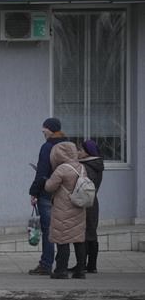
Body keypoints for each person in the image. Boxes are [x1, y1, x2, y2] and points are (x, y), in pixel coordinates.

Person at [28, 117, 68, 275]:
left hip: (47, 192)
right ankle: (62, 264)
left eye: (44, 128)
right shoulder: (68, 145)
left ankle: (46, 264)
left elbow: (42, 172)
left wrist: (34, 192)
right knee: (63, 229)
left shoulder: (47, 147)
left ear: (50, 129)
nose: (42, 131)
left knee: (49, 230)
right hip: (65, 192)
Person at [44, 141, 87, 279]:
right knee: (78, 239)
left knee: (63, 239)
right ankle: (80, 270)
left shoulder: (61, 169)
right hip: (79, 207)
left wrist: (46, 180)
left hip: (63, 208)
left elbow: (49, 187)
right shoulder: (81, 167)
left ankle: (61, 270)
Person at [70, 139, 104, 273]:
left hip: (83, 201)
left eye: (80, 150)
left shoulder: (85, 166)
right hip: (93, 201)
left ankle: (82, 264)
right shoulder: (97, 164)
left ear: (87, 152)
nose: (78, 152)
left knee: (83, 233)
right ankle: (92, 265)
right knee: (91, 232)